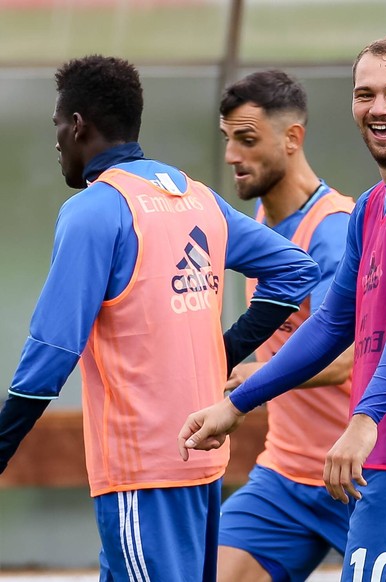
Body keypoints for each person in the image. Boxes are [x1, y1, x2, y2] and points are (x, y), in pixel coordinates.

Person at [179, 36, 386, 582]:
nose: (379, 108)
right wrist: (236, 406)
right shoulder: (374, 204)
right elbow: (331, 323)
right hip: (360, 456)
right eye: (365, 94)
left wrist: (361, 420)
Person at [0, 55, 320, 581]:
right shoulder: (196, 198)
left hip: (140, 472)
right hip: (201, 469)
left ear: (78, 125)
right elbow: (295, 269)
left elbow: (48, 360)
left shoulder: (94, 211)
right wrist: (225, 349)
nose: (56, 139)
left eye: (57, 124)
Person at [216, 69, 356, 582]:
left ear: (292, 138)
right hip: (286, 475)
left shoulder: (334, 230)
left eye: (247, 140)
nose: (232, 155)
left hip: (361, 473)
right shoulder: (257, 225)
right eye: (228, 138)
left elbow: (346, 357)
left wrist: (254, 378)